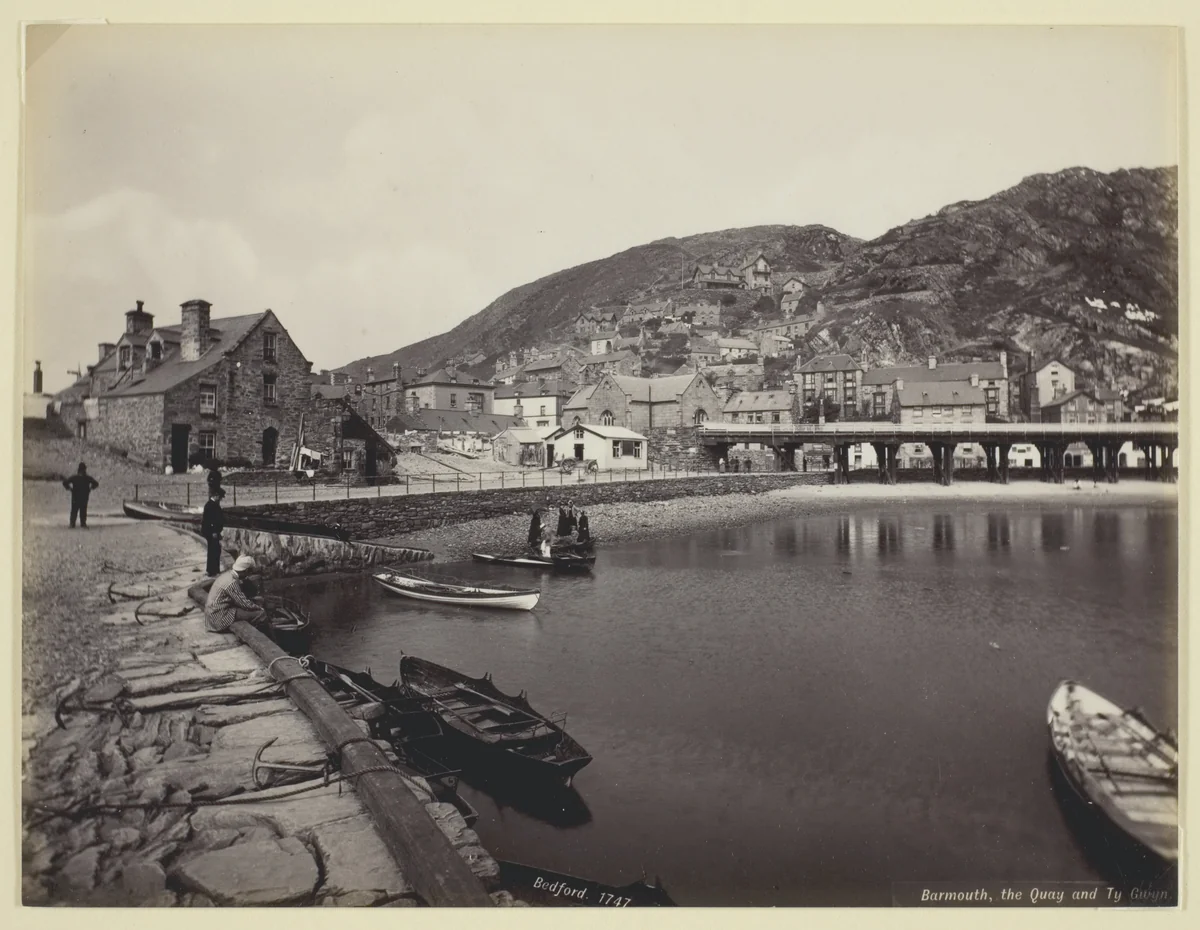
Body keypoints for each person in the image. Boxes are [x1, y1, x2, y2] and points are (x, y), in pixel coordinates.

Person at [204, 555, 266, 632]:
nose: (249, 575)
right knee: (261, 614)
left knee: (250, 606)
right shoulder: (232, 583)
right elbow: (244, 604)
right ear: (246, 571)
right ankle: (252, 632)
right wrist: (259, 608)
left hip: (211, 615)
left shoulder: (227, 575)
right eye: (249, 572)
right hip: (218, 618)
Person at [62, 462, 99, 529]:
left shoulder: (75, 478)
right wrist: (91, 488)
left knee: (75, 511)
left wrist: (69, 489)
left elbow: (65, 483)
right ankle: (82, 524)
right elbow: (96, 484)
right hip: (83, 497)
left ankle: (73, 524)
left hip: (76, 496)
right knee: (82, 511)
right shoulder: (87, 478)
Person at [201, 488, 225, 576]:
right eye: (220, 497)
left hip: (212, 532)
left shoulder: (211, 504)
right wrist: (214, 532)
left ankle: (213, 569)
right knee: (213, 550)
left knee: (215, 550)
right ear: (216, 496)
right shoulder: (211, 505)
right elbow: (211, 521)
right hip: (212, 532)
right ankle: (212, 570)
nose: (221, 499)